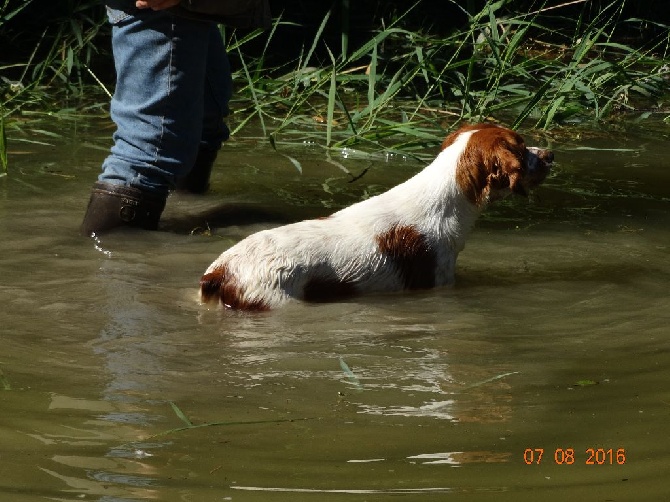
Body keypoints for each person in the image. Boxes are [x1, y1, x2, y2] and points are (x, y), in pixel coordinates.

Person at [81, 0, 270, 235]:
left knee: (203, 120)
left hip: (189, 10)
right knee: (151, 151)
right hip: (162, 9)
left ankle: (181, 211)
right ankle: (108, 261)